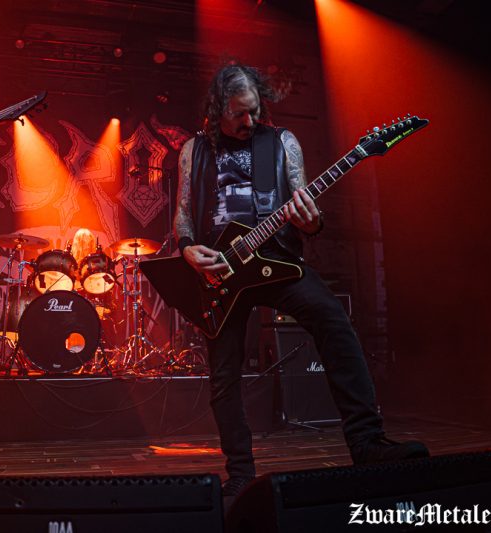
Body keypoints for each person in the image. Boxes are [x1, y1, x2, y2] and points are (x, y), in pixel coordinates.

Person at [173, 64, 428, 506]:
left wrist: (312, 222)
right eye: (238, 114)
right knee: (224, 375)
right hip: (222, 274)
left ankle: (367, 444)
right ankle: (240, 474)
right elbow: (181, 211)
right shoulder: (192, 151)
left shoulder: (282, 143)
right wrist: (187, 248)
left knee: (335, 322)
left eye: (254, 111)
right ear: (217, 110)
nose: (249, 121)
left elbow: (306, 205)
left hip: (278, 261)